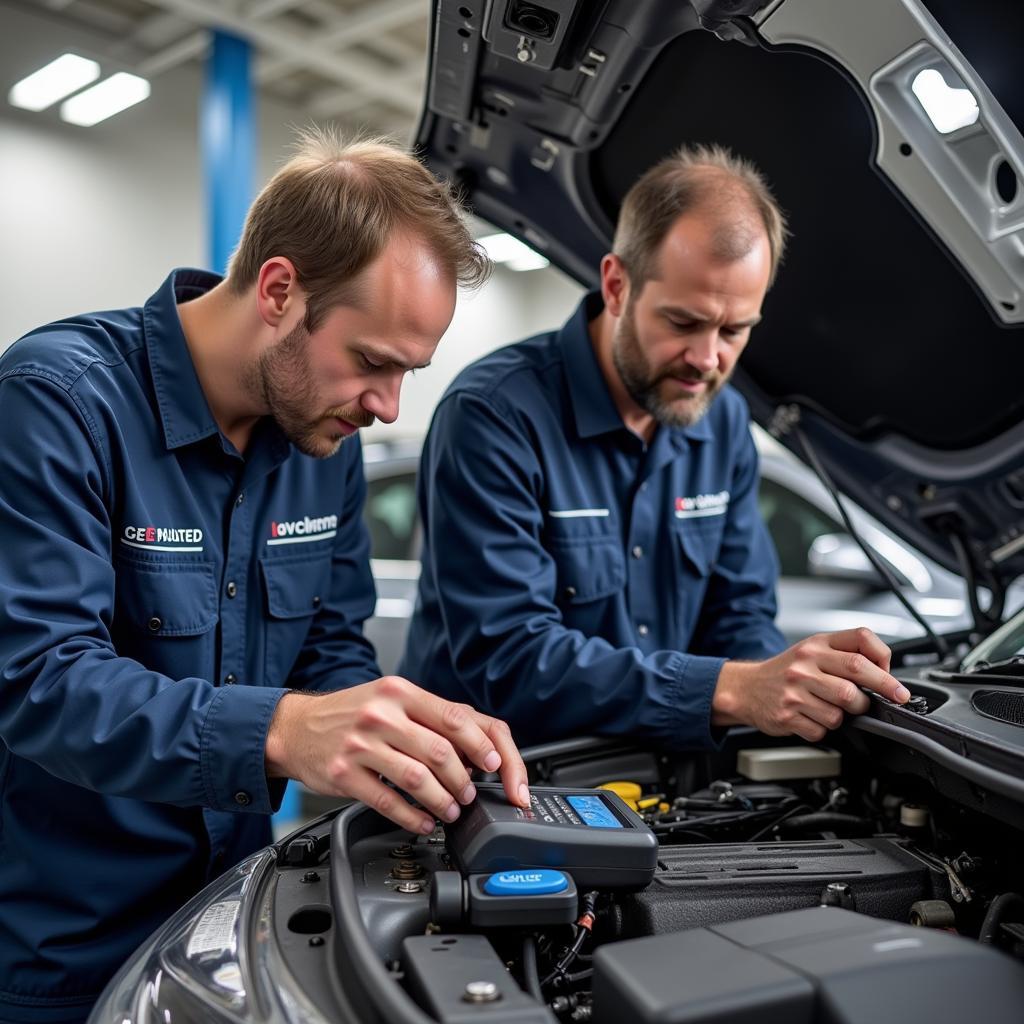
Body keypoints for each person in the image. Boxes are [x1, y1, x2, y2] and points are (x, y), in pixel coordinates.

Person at [0, 129, 529, 1023]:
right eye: (372, 361)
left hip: (231, 928)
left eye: (409, 372)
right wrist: (283, 730)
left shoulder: (325, 440)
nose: (387, 406)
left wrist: (402, 729)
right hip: (60, 957)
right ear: (280, 291)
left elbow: (328, 645)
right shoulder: (57, 402)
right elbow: (41, 682)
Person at [400, 143, 911, 752]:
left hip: (657, 787)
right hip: (493, 787)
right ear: (617, 285)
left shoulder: (722, 425)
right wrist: (731, 688)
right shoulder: (495, 415)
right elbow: (510, 657)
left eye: (734, 330)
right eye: (683, 322)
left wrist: (795, 683)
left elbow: (740, 616)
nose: (707, 359)